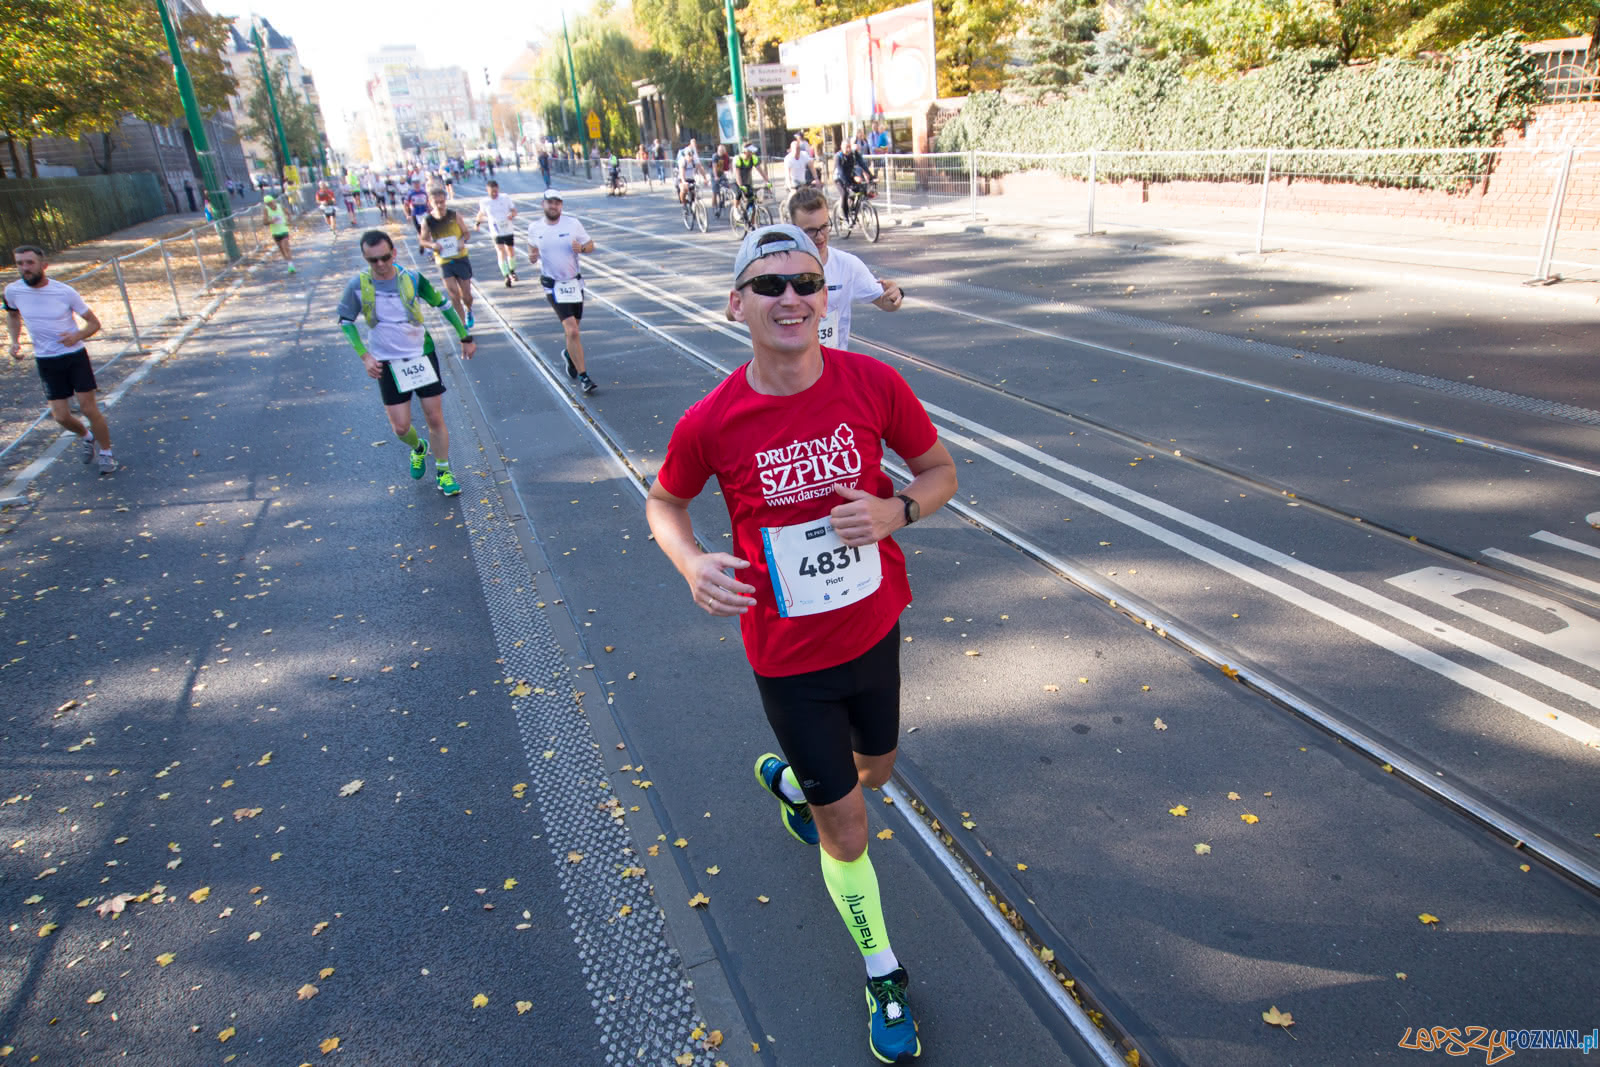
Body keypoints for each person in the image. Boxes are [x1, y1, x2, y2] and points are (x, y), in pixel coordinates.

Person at [646, 224, 956, 1065]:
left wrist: (901, 511)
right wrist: (689, 562)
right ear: (736, 304)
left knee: (876, 772)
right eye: (770, 284)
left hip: (873, 627)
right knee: (848, 829)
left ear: (828, 298)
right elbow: (664, 503)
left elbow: (939, 471)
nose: (791, 297)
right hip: (789, 658)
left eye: (806, 282)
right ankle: (882, 969)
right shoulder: (713, 419)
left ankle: (795, 782)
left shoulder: (872, 381)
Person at [336, 229, 475, 497]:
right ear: (365, 259)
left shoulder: (411, 277)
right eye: (372, 260)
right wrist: (365, 356)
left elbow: (443, 304)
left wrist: (464, 336)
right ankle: (418, 447)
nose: (380, 264)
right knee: (400, 427)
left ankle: (444, 471)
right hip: (387, 363)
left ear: (394, 253)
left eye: (384, 257)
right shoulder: (357, 285)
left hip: (421, 355)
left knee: (435, 417)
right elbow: (345, 321)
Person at [5, 245, 117, 474]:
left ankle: (106, 453)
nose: (25, 268)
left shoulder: (64, 292)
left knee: (88, 408)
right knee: (61, 417)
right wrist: (14, 341)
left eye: (29, 263)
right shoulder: (12, 291)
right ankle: (87, 436)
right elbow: (13, 315)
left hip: (74, 357)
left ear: (43, 265)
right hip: (46, 360)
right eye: (20, 263)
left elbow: (94, 324)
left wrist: (77, 335)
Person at [785, 186, 902, 353]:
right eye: (811, 230)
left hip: (833, 366)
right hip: (791, 369)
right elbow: (735, 312)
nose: (820, 236)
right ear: (794, 229)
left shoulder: (847, 265)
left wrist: (895, 296)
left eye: (824, 226)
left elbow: (887, 304)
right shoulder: (778, 267)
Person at [525, 190, 597, 395]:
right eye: (550, 203)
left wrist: (582, 248)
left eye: (557, 203)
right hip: (553, 285)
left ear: (561, 206)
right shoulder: (535, 228)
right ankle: (584, 377)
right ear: (543, 205)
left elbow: (591, 245)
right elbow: (531, 250)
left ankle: (568, 354)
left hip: (574, 284)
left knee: (574, 331)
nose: (554, 206)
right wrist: (532, 256)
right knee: (572, 330)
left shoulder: (572, 224)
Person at [418, 182, 474, 330]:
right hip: (443, 260)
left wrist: (462, 241)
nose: (439, 205)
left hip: (460, 257)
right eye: (436, 203)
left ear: (445, 201)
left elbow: (466, 233)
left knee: (466, 296)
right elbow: (422, 240)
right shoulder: (427, 221)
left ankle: (469, 310)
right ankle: (462, 325)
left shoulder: (454, 215)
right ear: (430, 203)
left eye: (442, 202)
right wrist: (432, 245)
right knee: (453, 294)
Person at [474, 178, 519, 288]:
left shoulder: (505, 198)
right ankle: (506, 275)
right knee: (500, 251)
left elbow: (514, 210)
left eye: (495, 191)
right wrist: (477, 223)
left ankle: (512, 270)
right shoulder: (484, 201)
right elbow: (481, 213)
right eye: (491, 192)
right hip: (496, 231)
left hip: (507, 229)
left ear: (498, 189)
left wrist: (511, 215)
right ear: (487, 190)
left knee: (510, 250)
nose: (494, 194)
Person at [733, 143, 769, 221]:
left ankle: (751, 223)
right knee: (738, 193)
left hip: (746, 181)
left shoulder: (753, 158)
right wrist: (741, 186)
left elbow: (761, 171)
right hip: (736, 181)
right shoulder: (738, 159)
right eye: (750, 151)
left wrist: (767, 181)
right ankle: (735, 210)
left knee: (752, 201)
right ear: (745, 151)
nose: (752, 153)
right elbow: (737, 174)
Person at [262, 194, 295, 273]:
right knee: (281, 249)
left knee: (285, 247)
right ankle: (288, 263)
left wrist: (289, 221)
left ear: (274, 201)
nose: (271, 204)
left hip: (284, 229)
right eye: (268, 204)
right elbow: (264, 222)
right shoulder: (266, 210)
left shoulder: (280, 206)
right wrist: (271, 221)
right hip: (275, 232)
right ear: (266, 204)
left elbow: (288, 213)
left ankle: (291, 265)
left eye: (271, 202)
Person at [676, 138, 706, 206]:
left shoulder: (694, 160)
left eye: (691, 156)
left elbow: (700, 168)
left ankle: (694, 206)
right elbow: (681, 172)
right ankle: (684, 205)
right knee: (684, 190)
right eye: (688, 156)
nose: (690, 157)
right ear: (685, 155)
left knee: (694, 192)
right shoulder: (682, 161)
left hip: (690, 178)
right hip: (681, 179)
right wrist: (684, 181)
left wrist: (705, 178)